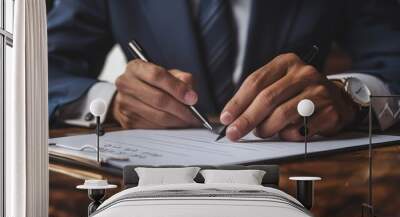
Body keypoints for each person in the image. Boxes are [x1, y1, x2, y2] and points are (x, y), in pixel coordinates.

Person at [47, 0, 400, 141]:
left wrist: (350, 97)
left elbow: (392, 58)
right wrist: (110, 102)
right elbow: (36, 69)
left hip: (302, 183)